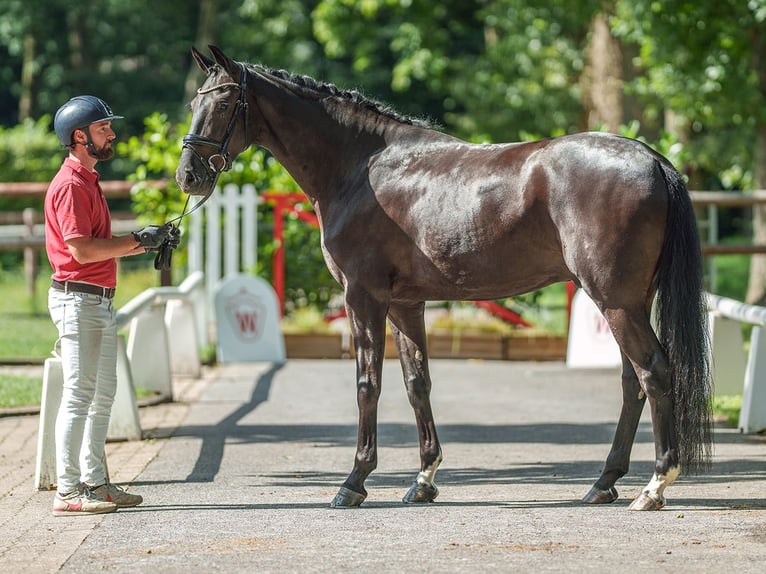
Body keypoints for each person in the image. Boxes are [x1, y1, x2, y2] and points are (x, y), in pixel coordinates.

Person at [45, 95, 177, 516]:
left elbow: (100, 246)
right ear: (79, 136)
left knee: (104, 395)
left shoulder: (88, 180)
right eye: (103, 128)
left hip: (96, 300)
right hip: (77, 298)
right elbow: (82, 251)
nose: (112, 133)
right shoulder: (69, 185)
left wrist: (144, 242)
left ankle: (95, 484)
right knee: (80, 395)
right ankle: (68, 492)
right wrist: (138, 239)